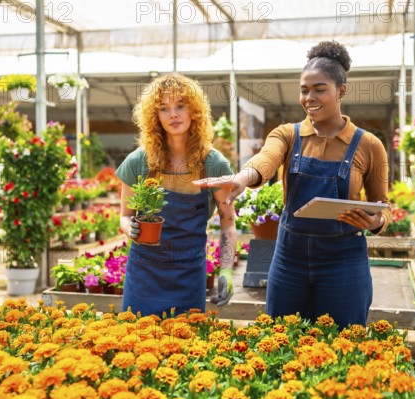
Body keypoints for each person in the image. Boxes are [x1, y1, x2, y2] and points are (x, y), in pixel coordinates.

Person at [194, 41, 391, 329]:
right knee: (281, 339)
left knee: (344, 343)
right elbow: (267, 158)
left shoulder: (370, 145)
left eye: (319, 89)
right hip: (290, 259)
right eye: (304, 90)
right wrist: (243, 178)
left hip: (344, 262)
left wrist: (375, 220)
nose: (309, 97)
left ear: (342, 91)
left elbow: (383, 206)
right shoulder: (288, 135)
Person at [116, 73, 237, 316]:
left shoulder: (213, 165)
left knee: (186, 346)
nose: (173, 114)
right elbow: (124, 216)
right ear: (155, 117)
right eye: (164, 108)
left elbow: (228, 221)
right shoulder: (139, 161)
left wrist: (225, 270)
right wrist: (131, 229)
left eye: (180, 105)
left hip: (188, 273)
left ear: (194, 111)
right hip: (144, 273)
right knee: (137, 344)